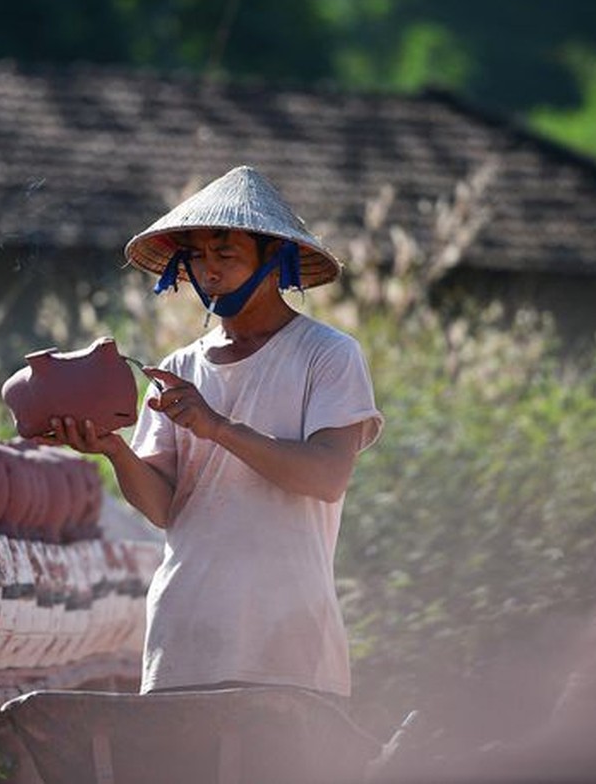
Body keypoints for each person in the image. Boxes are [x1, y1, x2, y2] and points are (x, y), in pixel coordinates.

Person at [46, 165, 383, 700]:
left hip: (288, 643)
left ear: (275, 259)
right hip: (186, 635)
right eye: (197, 257)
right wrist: (112, 449)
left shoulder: (328, 355)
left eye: (225, 255)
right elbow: (163, 508)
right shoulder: (178, 369)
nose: (209, 272)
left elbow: (326, 476)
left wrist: (216, 426)